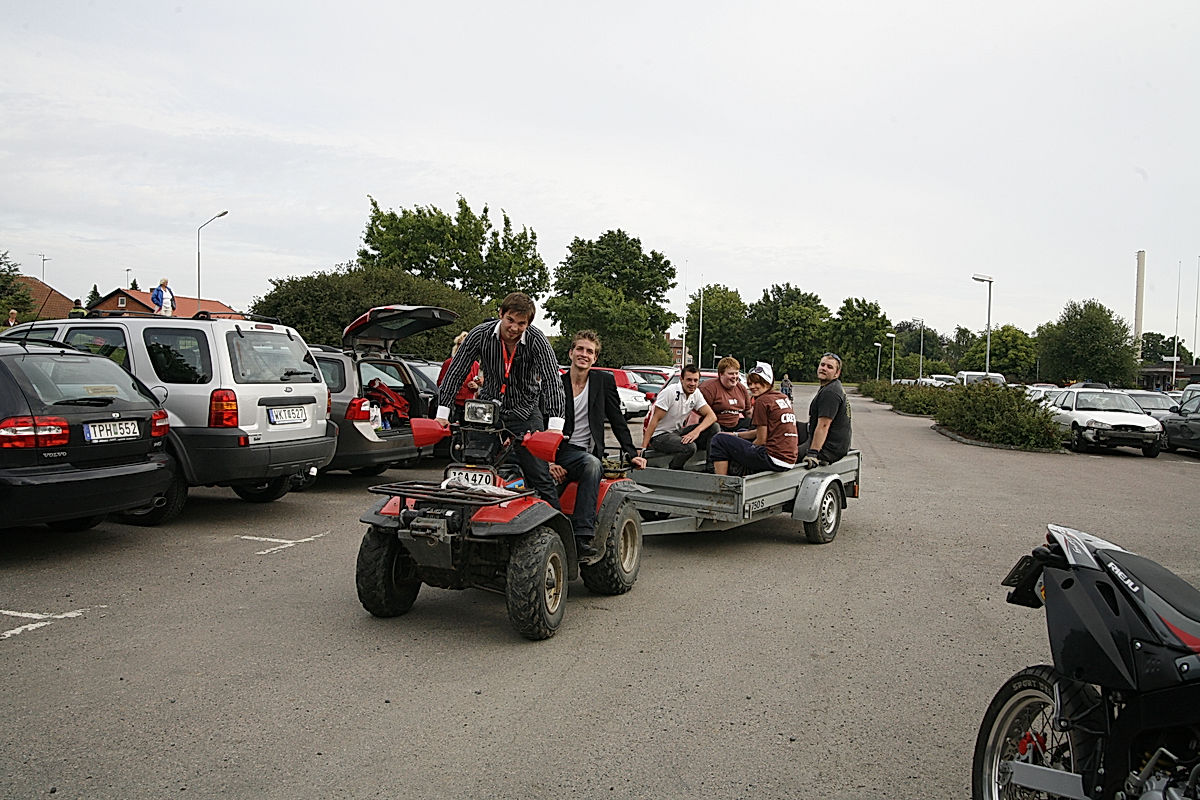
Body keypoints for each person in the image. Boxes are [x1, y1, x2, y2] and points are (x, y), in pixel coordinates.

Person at [435, 292, 565, 507]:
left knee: (539, 474)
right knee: (473, 465)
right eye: (510, 320)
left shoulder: (537, 340)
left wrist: (555, 427)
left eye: (521, 324)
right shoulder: (480, 334)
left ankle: (556, 520)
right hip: (487, 410)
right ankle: (465, 515)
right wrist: (442, 415)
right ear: (501, 314)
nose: (514, 328)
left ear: (529, 323)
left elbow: (552, 380)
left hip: (525, 410)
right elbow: (455, 373)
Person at [548, 330, 646, 556]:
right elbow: (543, 423)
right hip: (559, 450)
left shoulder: (603, 381)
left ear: (595, 358)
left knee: (592, 464)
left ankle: (582, 536)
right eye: (580, 349)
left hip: (587, 454)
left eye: (589, 351)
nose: (584, 354)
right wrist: (549, 462)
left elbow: (617, 419)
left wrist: (632, 453)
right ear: (571, 353)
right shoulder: (556, 384)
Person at [709, 362, 798, 476]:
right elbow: (764, 431)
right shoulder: (783, 397)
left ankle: (721, 480)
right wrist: (735, 435)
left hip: (772, 458)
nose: (752, 387)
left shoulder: (762, 401)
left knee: (719, 439)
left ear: (767, 381)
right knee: (741, 432)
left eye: (757, 383)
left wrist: (739, 456)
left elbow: (761, 440)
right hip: (789, 459)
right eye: (750, 383)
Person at [641, 364, 718, 469]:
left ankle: (710, 467)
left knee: (714, 427)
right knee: (689, 447)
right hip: (660, 436)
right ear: (681, 379)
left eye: (695, 380)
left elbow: (712, 416)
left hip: (677, 432)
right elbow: (654, 420)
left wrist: (696, 431)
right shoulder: (669, 392)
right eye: (689, 380)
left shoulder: (696, 393)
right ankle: (674, 470)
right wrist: (643, 448)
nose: (692, 384)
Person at [801, 352, 852, 469]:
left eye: (829, 367)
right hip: (835, 444)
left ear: (836, 374)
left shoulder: (830, 393)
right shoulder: (831, 387)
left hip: (828, 448)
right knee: (790, 426)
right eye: (822, 365)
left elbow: (824, 425)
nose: (824, 368)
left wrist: (813, 453)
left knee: (784, 454)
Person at [436, 331, 483, 422]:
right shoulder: (449, 363)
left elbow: (478, 386)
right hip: (452, 404)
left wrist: (476, 386)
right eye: (459, 344)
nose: (462, 347)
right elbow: (440, 383)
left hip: (469, 405)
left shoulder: (476, 365)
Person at [700, 357, 753, 433]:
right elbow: (697, 415)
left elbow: (748, 412)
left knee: (753, 423)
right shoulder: (708, 388)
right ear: (721, 374)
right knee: (714, 427)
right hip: (717, 425)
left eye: (736, 373)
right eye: (731, 374)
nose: (734, 377)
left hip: (735, 425)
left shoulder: (742, 388)